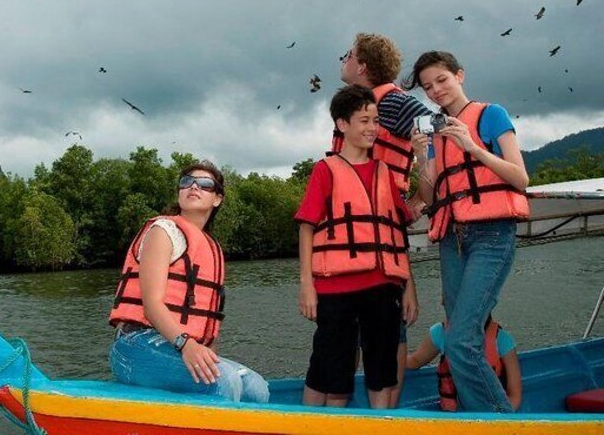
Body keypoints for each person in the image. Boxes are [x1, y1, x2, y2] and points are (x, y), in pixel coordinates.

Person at [404, 50, 530, 412]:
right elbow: (431, 196)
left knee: (460, 342)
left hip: (491, 235)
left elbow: (520, 178)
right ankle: (487, 417)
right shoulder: (435, 131)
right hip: (452, 239)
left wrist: (472, 146)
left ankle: (500, 424)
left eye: (441, 80)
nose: (436, 90)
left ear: (459, 75)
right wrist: (422, 157)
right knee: (459, 338)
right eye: (428, 87)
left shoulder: (492, 115)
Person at [108, 161, 269, 403]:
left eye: (204, 184)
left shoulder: (212, 248)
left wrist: (203, 355)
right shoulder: (163, 231)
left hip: (179, 345)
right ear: (179, 192)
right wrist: (186, 345)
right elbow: (151, 305)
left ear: (217, 199)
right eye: (187, 182)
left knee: (257, 388)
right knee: (225, 382)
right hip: (135, 345)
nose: (194, 187)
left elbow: (209, 325)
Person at [296, 85, 413, 409]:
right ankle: (313, 427)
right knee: (331, 374)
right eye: (364, 121)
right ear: (342, 124)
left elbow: (396, 233)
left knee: (382, 371)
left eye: (376, 121)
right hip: (335, 288)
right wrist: (306, 285)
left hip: (384, 286)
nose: (373, 128)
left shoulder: (385, 172)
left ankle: (379, 427)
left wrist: (409, 289)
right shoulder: (325, 170)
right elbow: (307, 228)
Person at [335, 32, 433, 406]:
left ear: (362, 66)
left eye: (348, 55)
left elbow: (437, 130)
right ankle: (352, 412)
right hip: (351, 240)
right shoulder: (355, 111)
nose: (343, 60)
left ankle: (386, 413)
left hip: (385, 241)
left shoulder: (391, 104)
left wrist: (418, 200)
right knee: (349, 331)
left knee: (388, 330)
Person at [406, 316, 522, 411]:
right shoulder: (440, 332)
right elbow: (414, 361)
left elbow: (515, 395)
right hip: (452, 417)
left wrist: (499, 419)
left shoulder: (502, 340)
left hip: (489, 418)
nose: (442, 303)